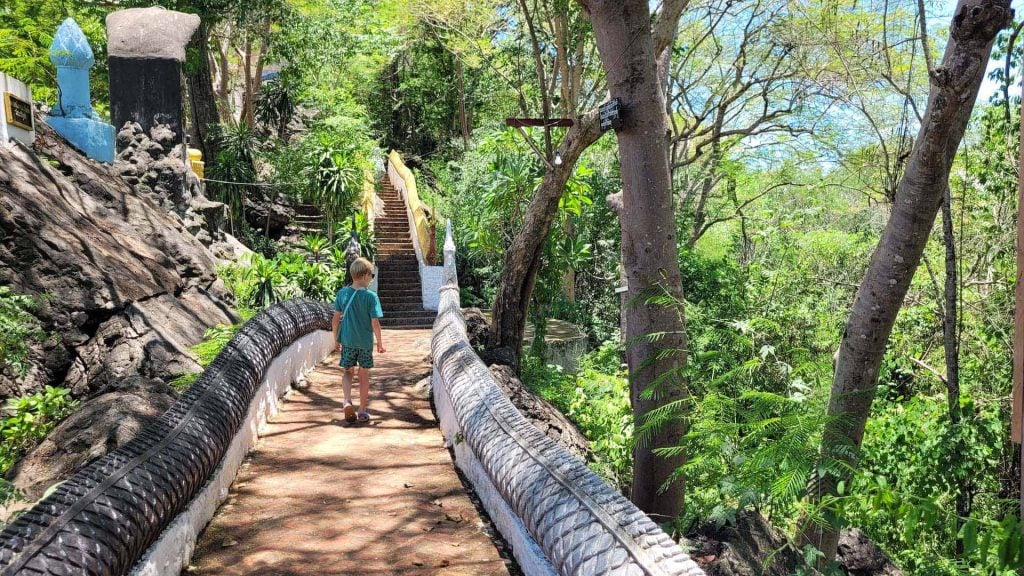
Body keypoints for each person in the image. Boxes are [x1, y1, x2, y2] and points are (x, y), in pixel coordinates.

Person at [332, 257, 386, 423]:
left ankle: (347, 400)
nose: (372, 278)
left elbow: (335, 319)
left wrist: (336, 340)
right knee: (364, 374)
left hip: (348, 341)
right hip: (364, 343)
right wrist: (380, 343)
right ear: (364, 276)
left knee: (348, 371)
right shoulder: (371, 297)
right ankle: (362, 410)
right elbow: (375, 323)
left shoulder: (342, 294)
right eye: (372, 275)